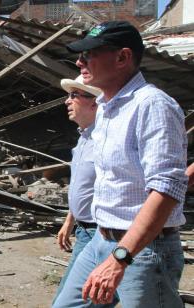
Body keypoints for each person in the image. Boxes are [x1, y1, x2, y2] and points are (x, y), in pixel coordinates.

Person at [53, 21, 187, 308]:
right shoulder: (107, 110)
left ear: (123, 57)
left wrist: (121, 258)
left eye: (89, 55)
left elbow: (166, 190)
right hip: (100, 240)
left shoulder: (152, 105)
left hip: (144, 250)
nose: (80, 61)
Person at [52, 75, 101, 304]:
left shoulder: (104, 140)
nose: (67, 101)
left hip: (100, 234)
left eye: (74, 95)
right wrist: (69, 221)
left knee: (74, 300)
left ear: (95, 102)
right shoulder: (83, 139)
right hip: (84, 230)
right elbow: (83, 187)